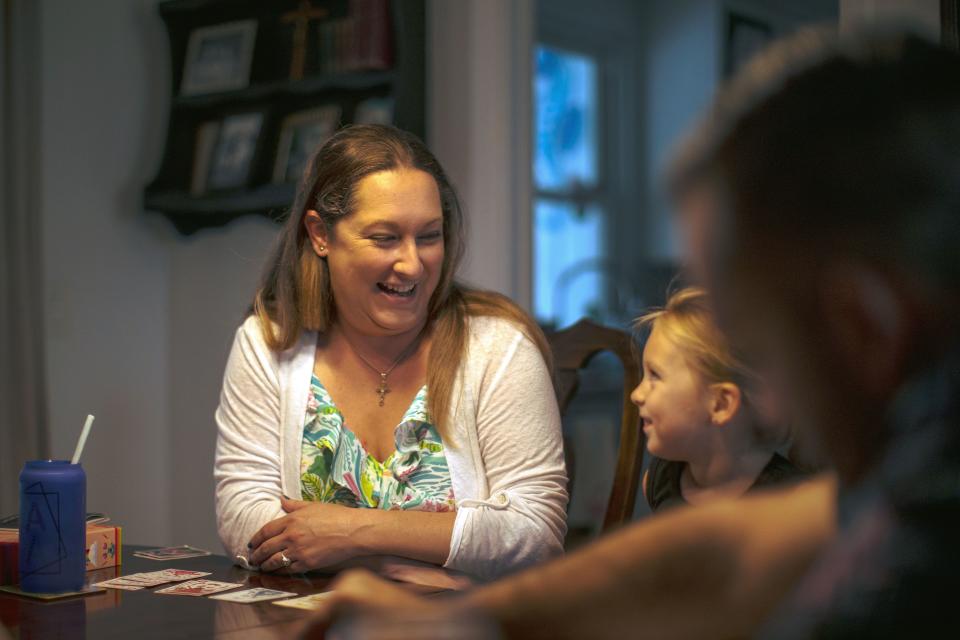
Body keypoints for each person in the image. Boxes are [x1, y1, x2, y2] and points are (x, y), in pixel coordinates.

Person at [305, 26, 960, 638]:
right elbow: (732, 549)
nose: (773, 402)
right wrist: (466, 620)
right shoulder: (919, 463)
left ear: (866, 328)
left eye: (759, 342)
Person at [214, 124, 568, 583]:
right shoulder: (267, 342)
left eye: (428, 236)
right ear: (320, 235)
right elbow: (243, 516)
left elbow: (534, 533)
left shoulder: (498, 347)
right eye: (384, 238)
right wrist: (393, 566)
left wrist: (352, 533)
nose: (412, 264)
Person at [633, 287, 804, 512]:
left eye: (654, 375)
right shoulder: (659, 481)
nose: (636, 395)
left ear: (721, 404)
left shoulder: (788, 502)